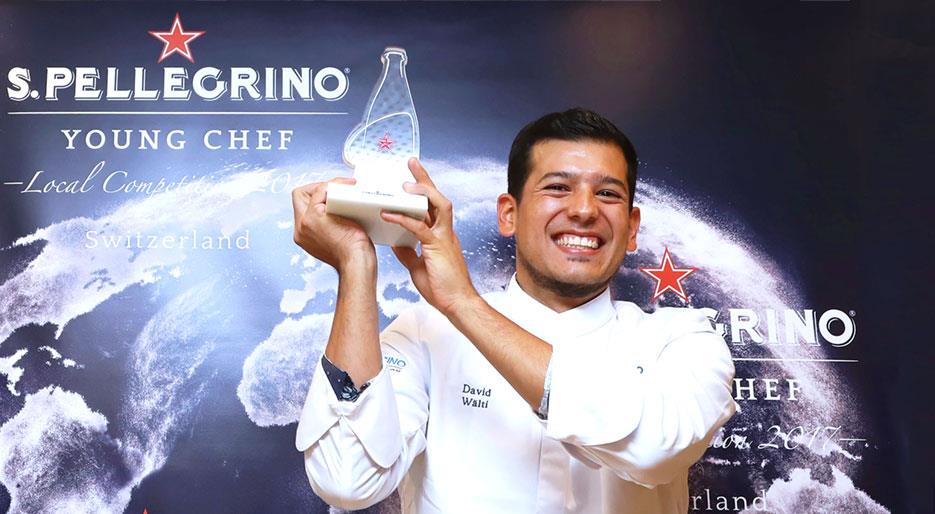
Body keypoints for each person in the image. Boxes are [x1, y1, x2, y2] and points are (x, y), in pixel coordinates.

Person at [290, 108, 737, 514]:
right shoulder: (426, 331)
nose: (584, 210)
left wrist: (464, 305)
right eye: (558, 187)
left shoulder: (682, 340)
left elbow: (656, 450)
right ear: (509, 214)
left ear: (632, 227)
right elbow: (346, 480)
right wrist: (355, 264)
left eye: (607, 193)